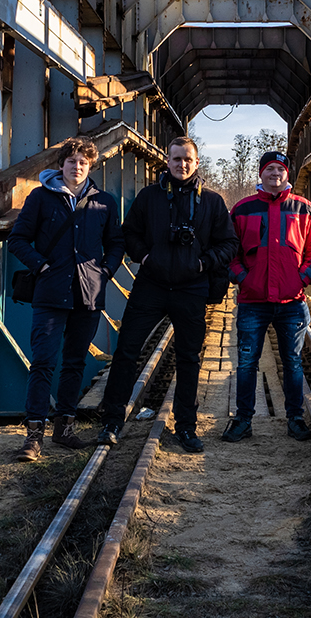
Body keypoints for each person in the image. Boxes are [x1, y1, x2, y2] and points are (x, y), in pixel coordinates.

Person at [95, 136, 238, 453]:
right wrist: (145, 257)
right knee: (127, 351)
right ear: (167, 161)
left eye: (188, 159)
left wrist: (203, 263)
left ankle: (186, 426)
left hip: (191, 288)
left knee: (189, 358)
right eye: (176, 159)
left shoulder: (212, 202)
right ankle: (112, 421)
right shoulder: (148, 197)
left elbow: (229, 244)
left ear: (197, 162)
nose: (182, 164)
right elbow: (128, 232)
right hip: (151, 285)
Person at [6, 137, 124, 462]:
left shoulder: (104, 202)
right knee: (43, 361)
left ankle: (65, 429)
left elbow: (116, 242)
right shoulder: (41, 198)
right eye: (71, 161)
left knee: (74, 362)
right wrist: (41, 264)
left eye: (83, 162)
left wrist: (106, 271)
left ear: (90, 166)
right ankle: (33, 436)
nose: (77, 166)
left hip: (88, 295)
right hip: (50, 294)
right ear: (61, 165)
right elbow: (17, 239)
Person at [220, 149, 311, 443]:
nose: (275, 174)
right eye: (269, 169)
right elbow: (230, 250)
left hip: (292, 303)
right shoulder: (242, 209)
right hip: (253, 302)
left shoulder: (304, 209)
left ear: (286, 174)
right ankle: (242, 420)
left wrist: (301, 279)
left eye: (280, 169)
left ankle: (295, 419)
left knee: (292, 362)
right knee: (246, 363)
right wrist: (243, 278)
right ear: (260, 173)